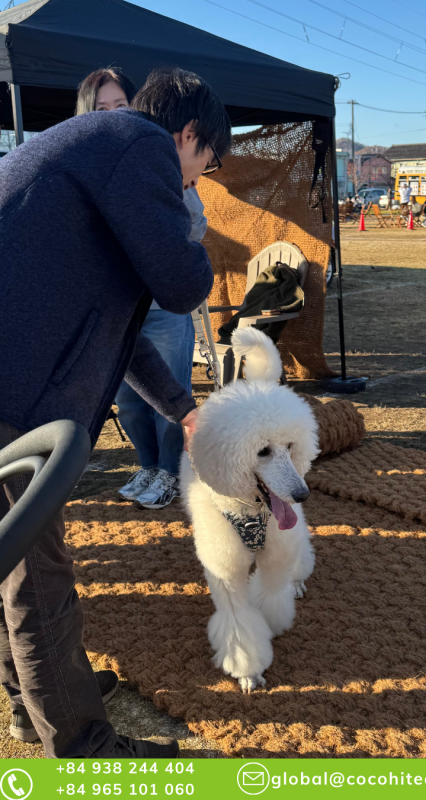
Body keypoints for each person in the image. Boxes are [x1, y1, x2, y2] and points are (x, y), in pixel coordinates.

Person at [0, 67, 232, 759]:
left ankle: (30, 701)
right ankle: (80, 744)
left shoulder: (97, 150)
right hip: (12, 388)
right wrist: (192, 227)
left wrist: (183, 410)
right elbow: (182, 282)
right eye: (203, 168)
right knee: (39, 572)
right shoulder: (138, 143)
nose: (194, 183)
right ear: (187, 136)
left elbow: (121, 331)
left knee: (18, 551)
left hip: (15, 381)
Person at [74, 67, 208, 510]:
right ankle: (148, 464)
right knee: (128, 397)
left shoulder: (162, 166)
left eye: (122, 106)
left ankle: (172, 472)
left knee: (170, 393)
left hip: (161, 306)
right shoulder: (89, 170)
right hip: (116, 307)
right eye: (101, 109)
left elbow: (193, 229)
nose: (113, 117)